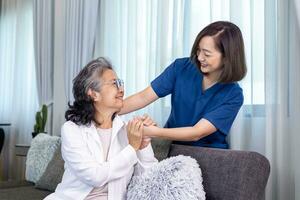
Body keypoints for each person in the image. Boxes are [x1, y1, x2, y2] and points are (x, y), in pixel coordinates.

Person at [120, 21, 247, 149]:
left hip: (208, 153)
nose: (200, 58)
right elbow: (143, 97)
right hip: (170, 145)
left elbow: (196, 133)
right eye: (198, 51)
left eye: (207, 54)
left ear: (227, 57)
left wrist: (152, 132)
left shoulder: (233, 95)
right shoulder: (181, 68)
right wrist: (110, 110)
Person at [45, 58, 157, 200]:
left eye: (120, 83)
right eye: (114, 84)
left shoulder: (127, 130)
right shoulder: (71, 130)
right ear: (93, 93)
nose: (121, 89)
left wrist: (143, 146)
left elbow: (150, 181)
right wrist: (132, 148)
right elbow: (95, 176)